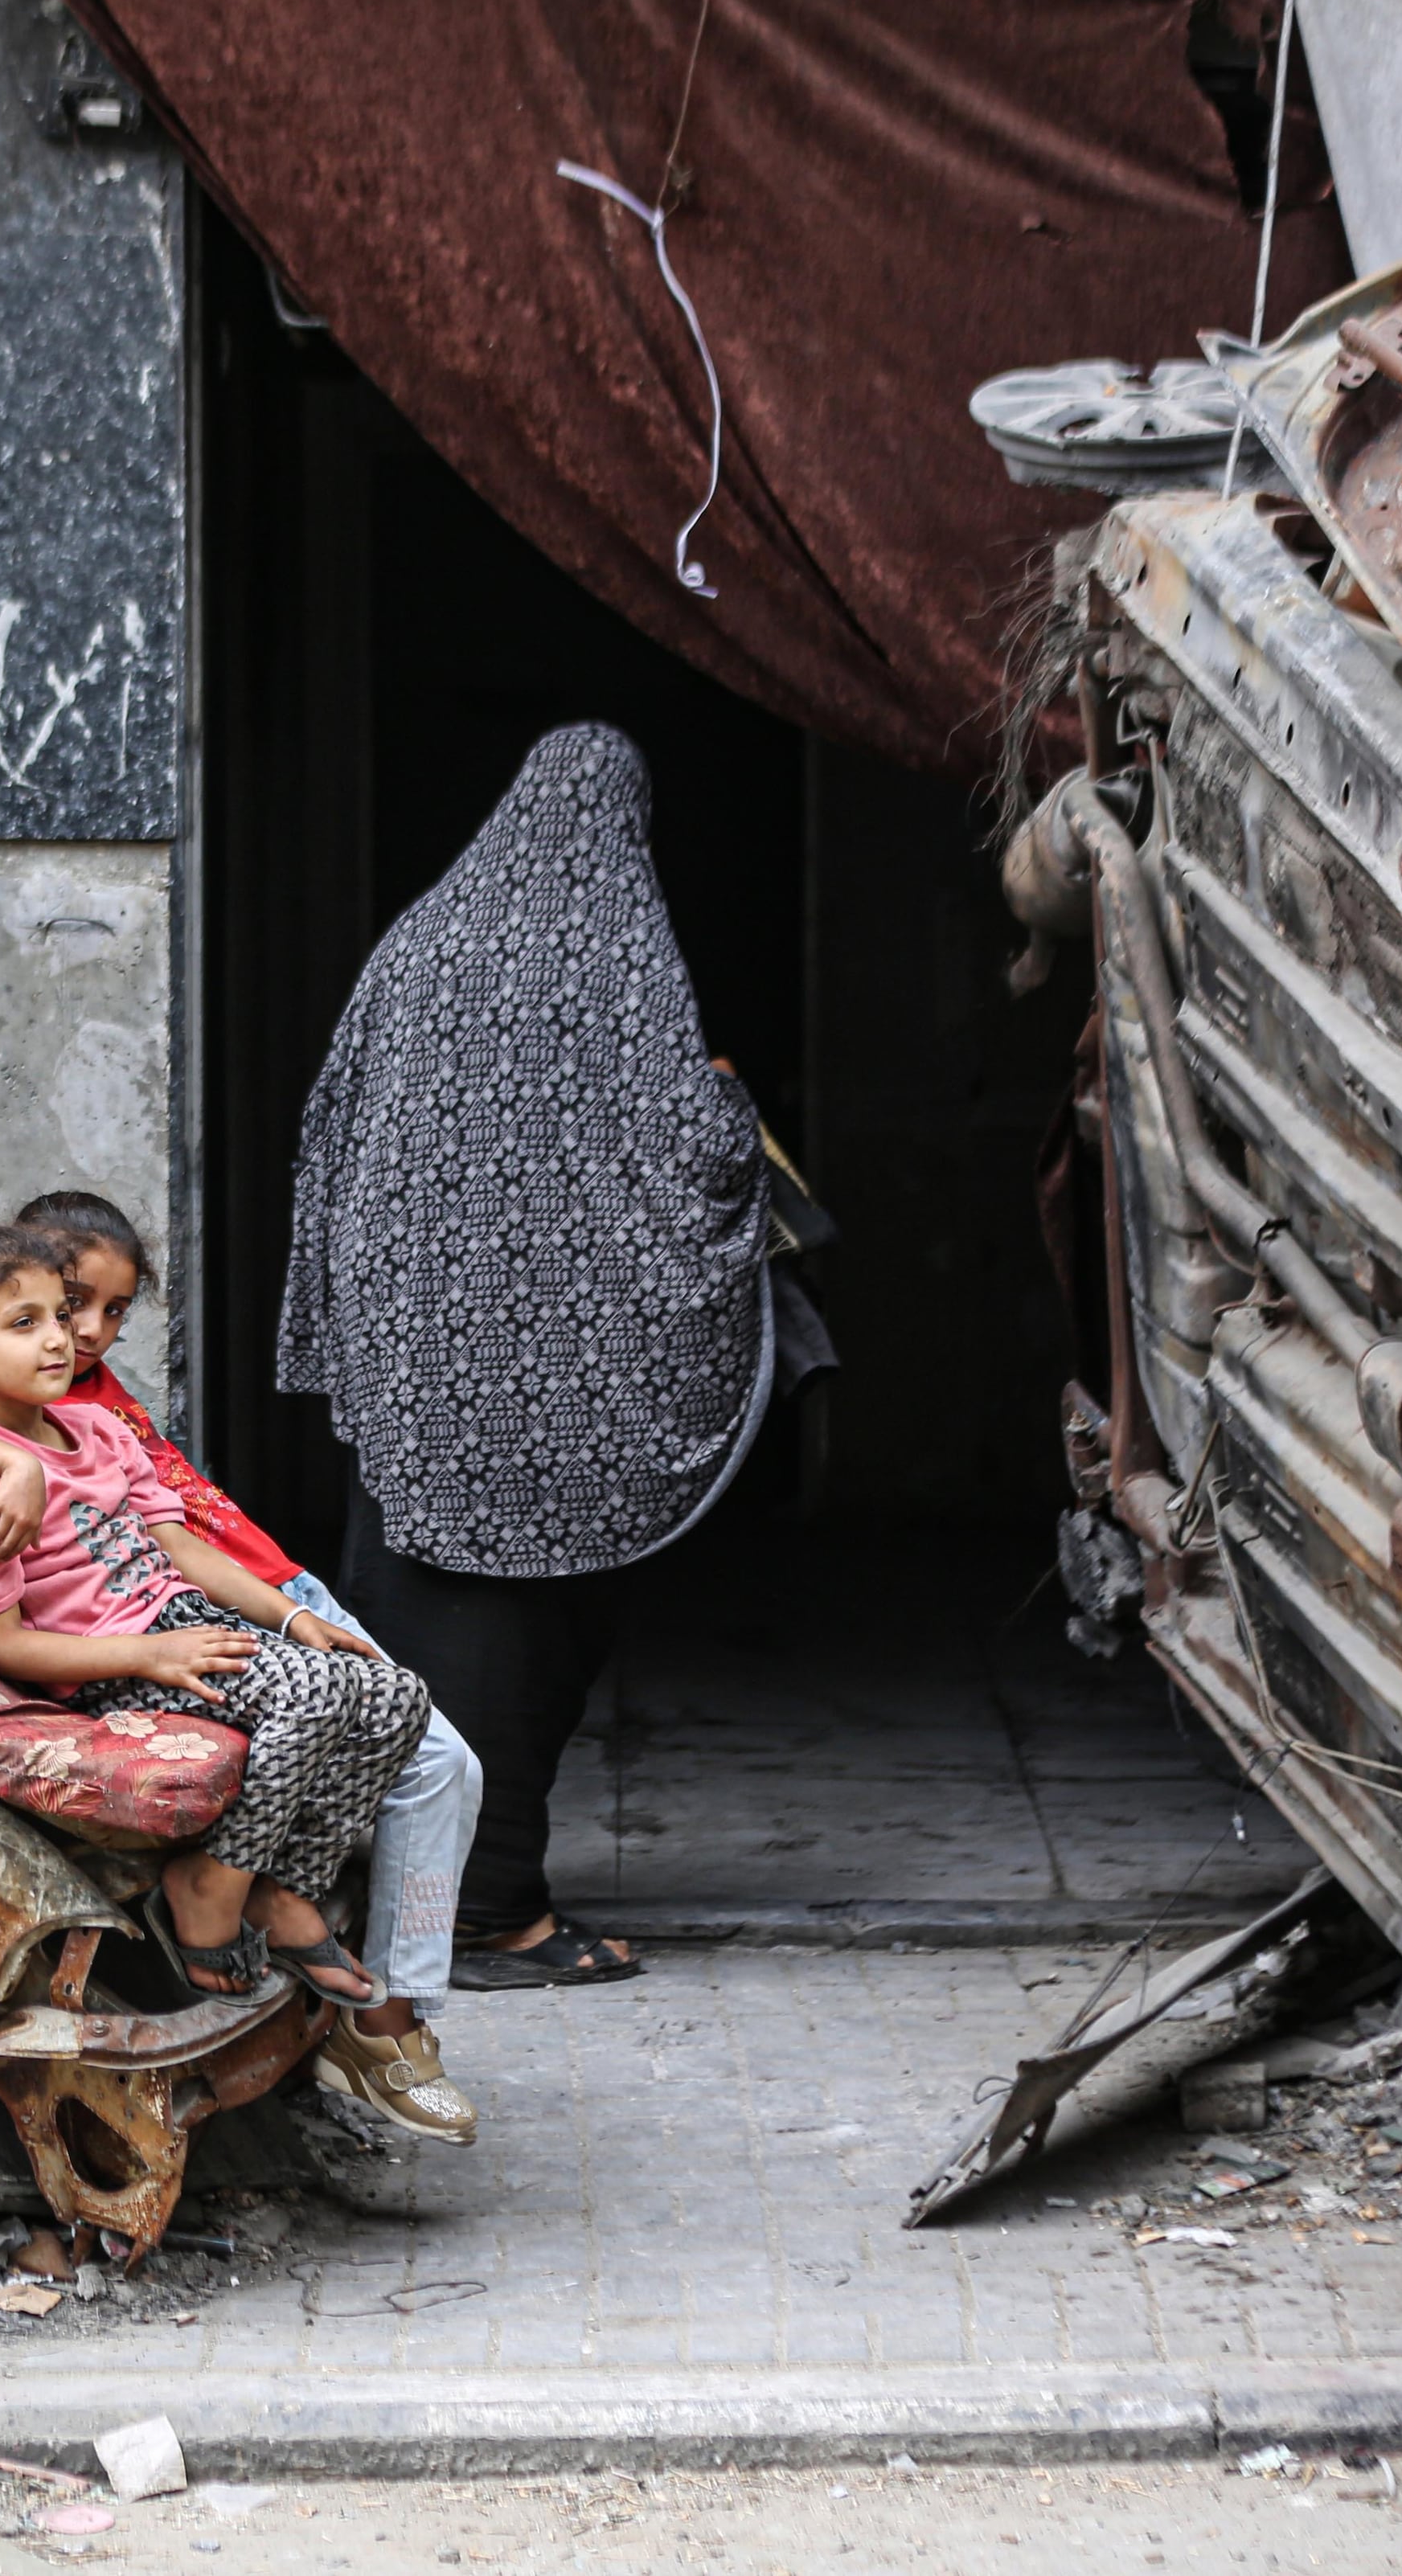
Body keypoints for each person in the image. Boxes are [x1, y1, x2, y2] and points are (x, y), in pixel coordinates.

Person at [280, 720, 792, 1990]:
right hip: (570, 1393)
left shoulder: (415, 947)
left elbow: (331, 1138)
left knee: (415, 1634)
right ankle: (492, 1918)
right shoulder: (621, 957)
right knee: (522, 1647)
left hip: (420, 1377)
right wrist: (732, 1098)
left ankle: (407, 1901)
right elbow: (699, 1148)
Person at [0, 1191, 482, 2144]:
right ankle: (213, 1887)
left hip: (184, 1614)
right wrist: (152, 1651)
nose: (69, 1338)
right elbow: (6, 1642)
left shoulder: (94, 1428)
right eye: (39, 1320)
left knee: (386, 1692)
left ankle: (287, 1887)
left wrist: (295, 1616)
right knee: (311, 1701)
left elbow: (182, 1548)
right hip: (115, 1659)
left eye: (75, 1314)